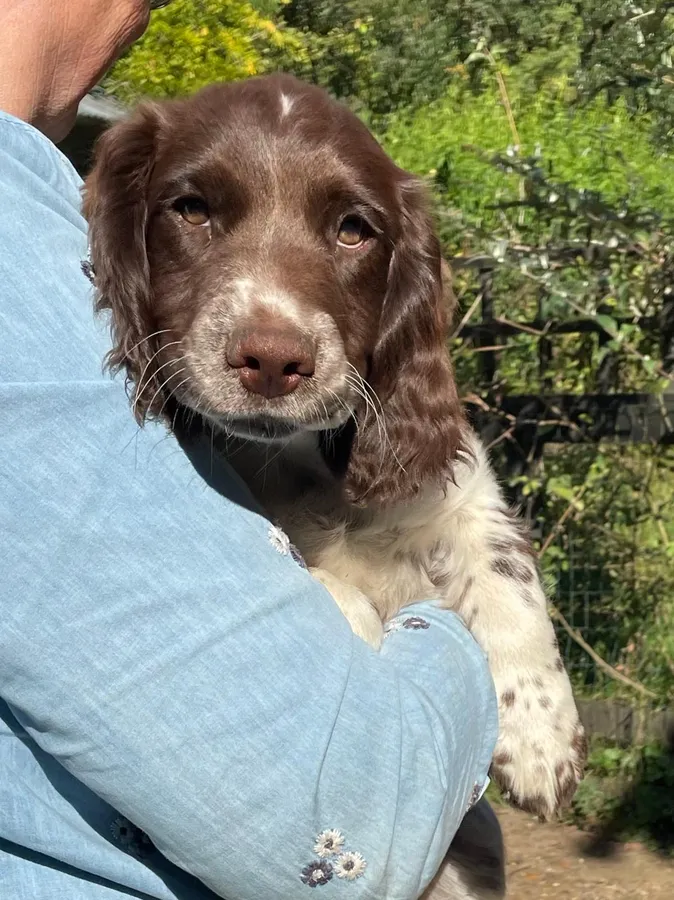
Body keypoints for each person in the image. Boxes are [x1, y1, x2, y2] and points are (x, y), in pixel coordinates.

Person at [0, 2, 498, 898]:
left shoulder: (39, 227)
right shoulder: (17, 280)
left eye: (348, 231)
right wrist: (462, 647)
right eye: (193, 208)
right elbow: (347, 828)